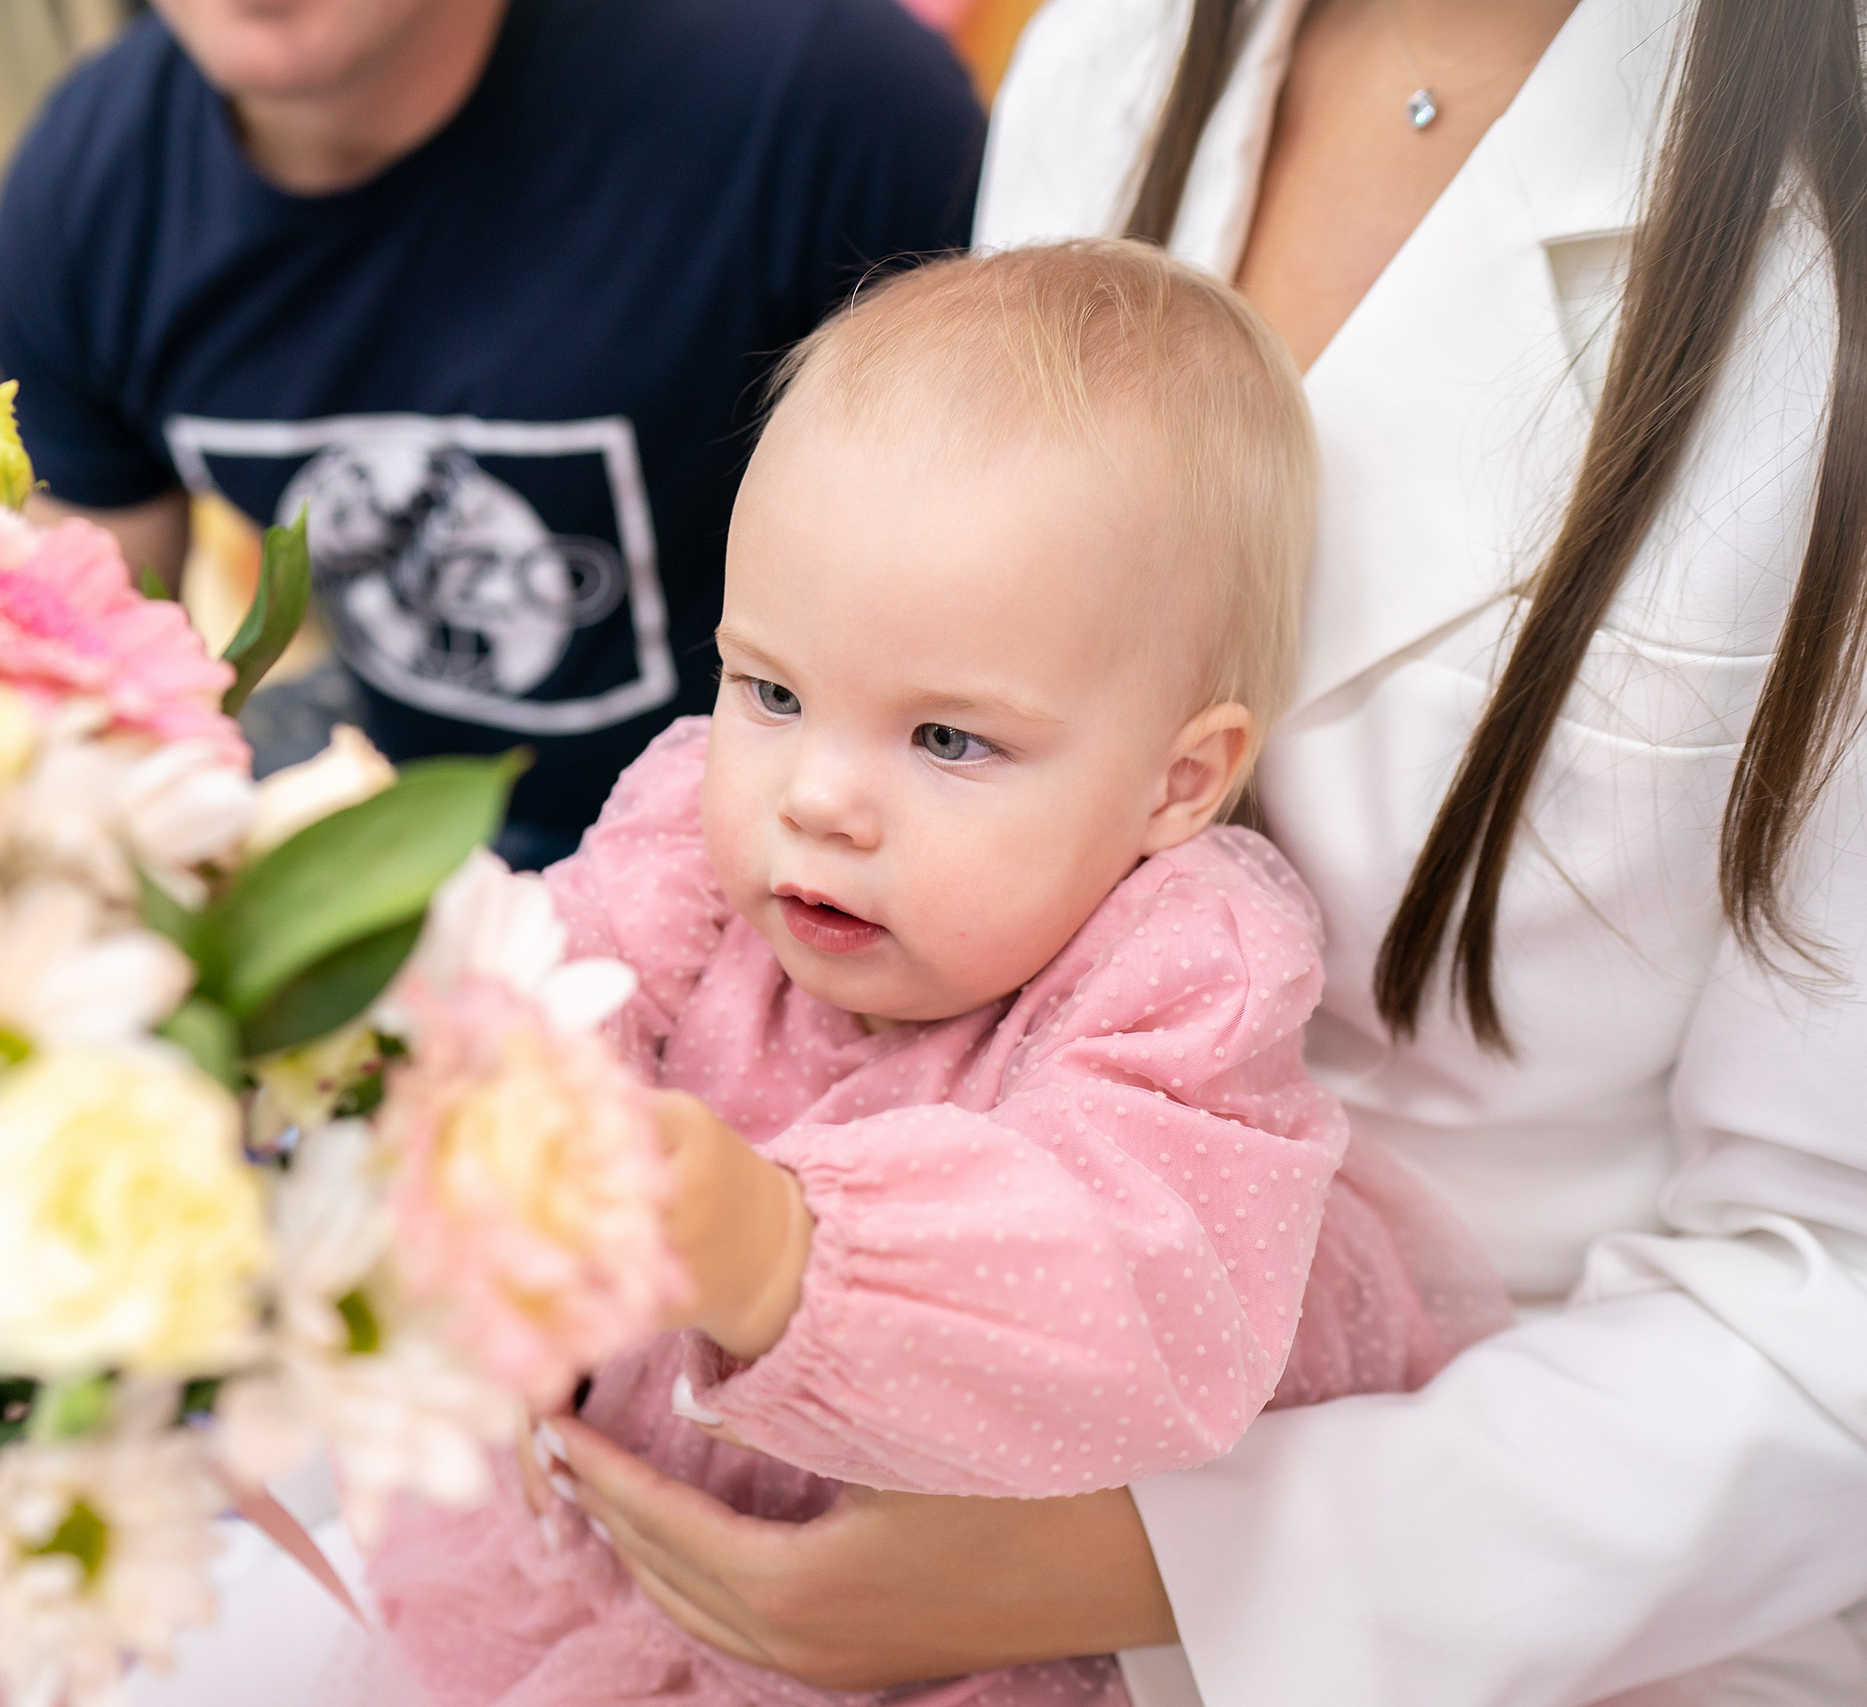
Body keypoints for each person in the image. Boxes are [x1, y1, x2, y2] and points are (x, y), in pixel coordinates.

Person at [547, 0, 1867, 1703]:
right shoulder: (1115, 45)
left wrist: (1131, 1564)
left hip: (1520, 1511)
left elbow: (1831, 1298)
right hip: (787, 1421)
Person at [362, 243, 1508, 1707]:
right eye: (771, 689)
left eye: (949, 739)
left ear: (1178, 779)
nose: (818, 796)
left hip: (987, 1645)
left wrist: (788, 1250)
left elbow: (1139, 1290)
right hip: (634, 1563)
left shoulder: (1176, 974)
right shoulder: (697, 845)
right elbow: (543, 980)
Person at [0, 0, 987, 868]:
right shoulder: (88, 189)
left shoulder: (825, 99)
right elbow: (82, 687)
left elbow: (1034, 649)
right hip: (429, 865)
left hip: (825, 884)